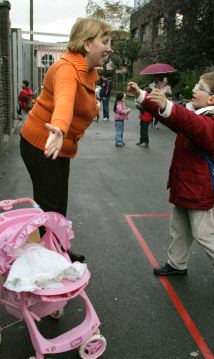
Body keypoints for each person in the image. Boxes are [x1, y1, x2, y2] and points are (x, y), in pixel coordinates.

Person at [128, 72, 214, 297]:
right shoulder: (202, 113)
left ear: (211, 99)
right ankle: (177, 264)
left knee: (205, 234)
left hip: (198, 187)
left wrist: (169, 106)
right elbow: (175, 118)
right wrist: (144, 97)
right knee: (179, 229)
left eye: (200, 87)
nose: (194, 89)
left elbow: (188, 122)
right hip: (185, 183)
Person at [19, 17, 112, 263]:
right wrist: (59, 128)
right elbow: (65, 101)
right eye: (105, 41)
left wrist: (95, 109)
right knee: (49, 206)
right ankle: (45, 260)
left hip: (58, 146)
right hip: (43, 142)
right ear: (88, 43)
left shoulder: (88, 70)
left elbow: (83, 100)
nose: (109, 48)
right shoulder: (67, 69)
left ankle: (56, 250)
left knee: (58, 204)